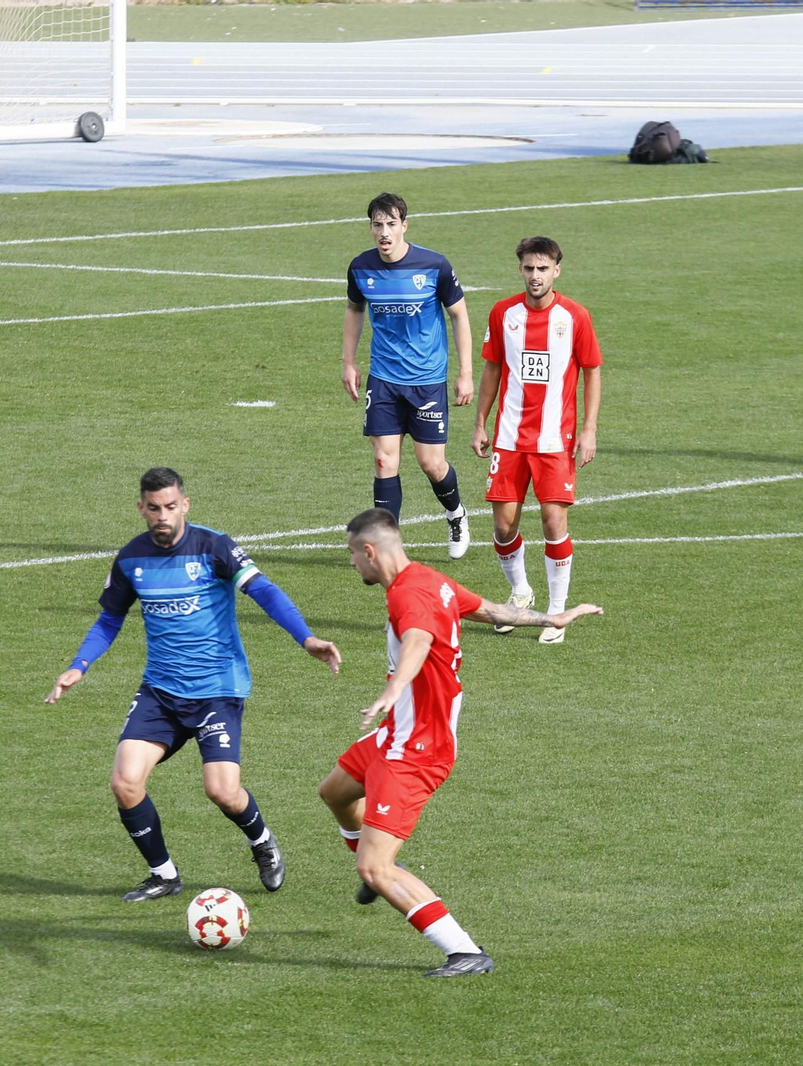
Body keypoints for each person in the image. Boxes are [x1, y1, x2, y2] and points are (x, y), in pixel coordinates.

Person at [317, 508, 602, 977]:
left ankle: (463, 950)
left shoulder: (407, 596)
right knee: (336, 791)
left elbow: (418, 641)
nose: (351, 564)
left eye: (352, 554)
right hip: (401, 734)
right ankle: (376, 859)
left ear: (370, 551)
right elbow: (492, 610)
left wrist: (392, 689)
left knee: (376, 868)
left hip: (416, 750)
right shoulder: (434, 580)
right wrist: (554, 618)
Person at [46, 467, 342, 902]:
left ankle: (261, 841)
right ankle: (163, 874)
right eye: (153, 508)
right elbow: (110, 618)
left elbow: (264, 591)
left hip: (217, 690)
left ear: (185, 504)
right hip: (161, 693)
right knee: (125, 782)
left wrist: (307, 637)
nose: (162, 516)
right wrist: (80, 665)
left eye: (170, 506)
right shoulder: (131, 559)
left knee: (222, 791)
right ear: (141, 509)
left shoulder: (214, 547)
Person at [470, 236, 603, 645]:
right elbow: (492, 369)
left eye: (542, 269)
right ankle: (521, 593)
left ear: (556, 270)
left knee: (553, 522)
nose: (535, 276)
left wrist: (589, 430)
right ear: (520, 270)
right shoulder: (503, 313)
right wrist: (480, 423)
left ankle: (557, 613)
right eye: (529, 268)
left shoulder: (575, 317)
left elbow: (592, 371)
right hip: (510, 438)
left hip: (554, 440)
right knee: (504, 525)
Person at [341, 192, 475, 558]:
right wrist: (348, 361)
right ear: (370, 228)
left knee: (432, 463)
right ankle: (387, 546)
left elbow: (459, 315)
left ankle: (456, 514)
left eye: (390, 224)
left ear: (404, 226)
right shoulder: (360, 268)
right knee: (385, 460)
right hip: (383, 378)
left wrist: (465, 373)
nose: (384, 232)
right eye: (377, 225)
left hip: (427, 379)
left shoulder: (434, 266)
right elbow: (354, 309)